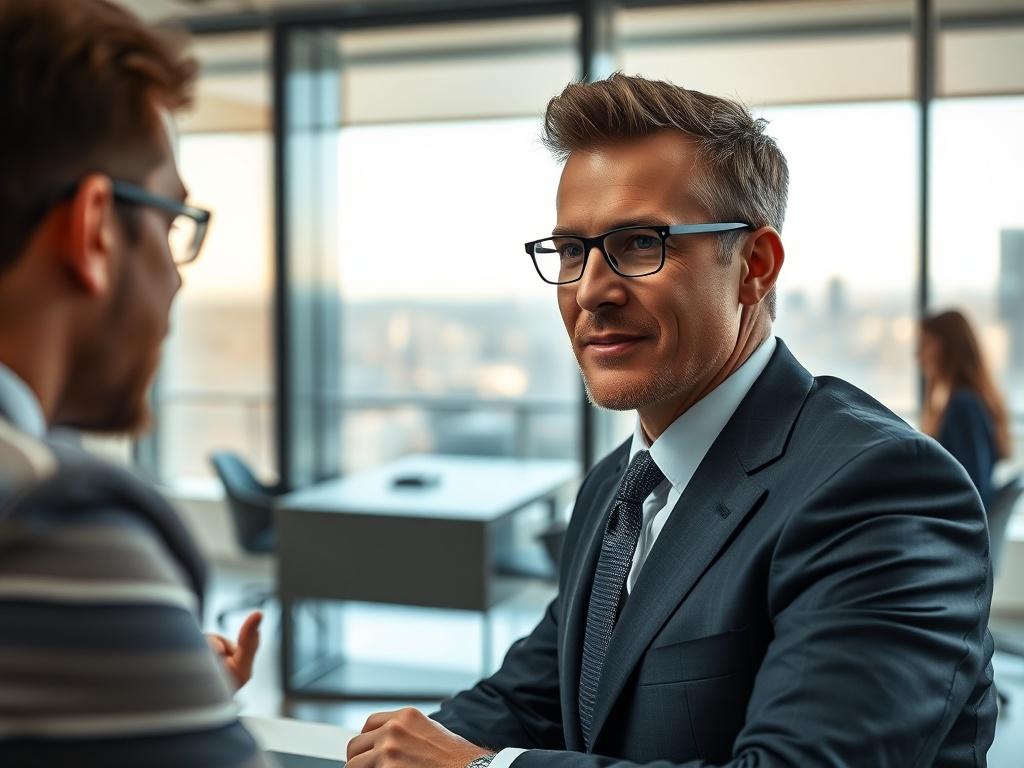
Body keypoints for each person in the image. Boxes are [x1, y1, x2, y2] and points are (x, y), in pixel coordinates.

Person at [346, 75, 996, 768]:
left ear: (755, 266)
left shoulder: (879, 488)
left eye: (638, 243)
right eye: (571, 251)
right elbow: (529, 698)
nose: (591, 290)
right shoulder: (617, 489)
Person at [0, 1, 270, 765]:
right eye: (173, 221)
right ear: (94, 231)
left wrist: (158, 691)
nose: (176, 284)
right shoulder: (49, 521)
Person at [919, 309, 1012, 508]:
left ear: (948, 348)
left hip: (956, 527)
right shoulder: (964, 400)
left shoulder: (963, 406)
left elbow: (971, 486)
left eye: (925, 344)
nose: (918, 355)